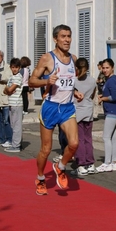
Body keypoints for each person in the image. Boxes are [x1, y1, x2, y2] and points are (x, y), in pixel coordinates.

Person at [28, 24, 83, 196]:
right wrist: (46, 81)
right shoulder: (47, 59)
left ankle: (60, 167)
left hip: (67, 108)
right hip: (50, 108)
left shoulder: (74, 59)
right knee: (46, 149)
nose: (67, 40)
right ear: (55, 39)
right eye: (63, 36)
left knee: (74, 144)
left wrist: (75, 92)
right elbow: (31, 81)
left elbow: (67, 83)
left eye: (69, 36)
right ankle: (40, 178)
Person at [96, 58, 116, 173]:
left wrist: (103, 98)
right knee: (113, 138)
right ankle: (114, 162)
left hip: (112, 112)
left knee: (106, 137)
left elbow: (114, 96)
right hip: (115, 112)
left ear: (113, 68)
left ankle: (107, 163)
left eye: (107, 68)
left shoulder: (111, 81)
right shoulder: (112, 79)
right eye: (103, 68)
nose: (105, 70)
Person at [71, 58, 97, 175]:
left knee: (79, 139)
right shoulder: (92, 81)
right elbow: (92, 95)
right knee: (88, 139)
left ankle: (81, 163)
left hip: (77, 111)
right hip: (88, 110)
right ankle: (90, 163)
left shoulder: (74, 81)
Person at [3, 58, 23, 152]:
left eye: (16, 67)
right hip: (11, 102)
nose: (14, 69)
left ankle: (16, 145)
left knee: (16, 125)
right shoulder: (11, 77)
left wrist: (9, 90)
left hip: (17, 103)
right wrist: (8, 90)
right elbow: (6, 90)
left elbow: (10, 90)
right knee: (12, 125)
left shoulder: (18, 77)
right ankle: (16, 143)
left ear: (19, 68)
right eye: (13, 67)